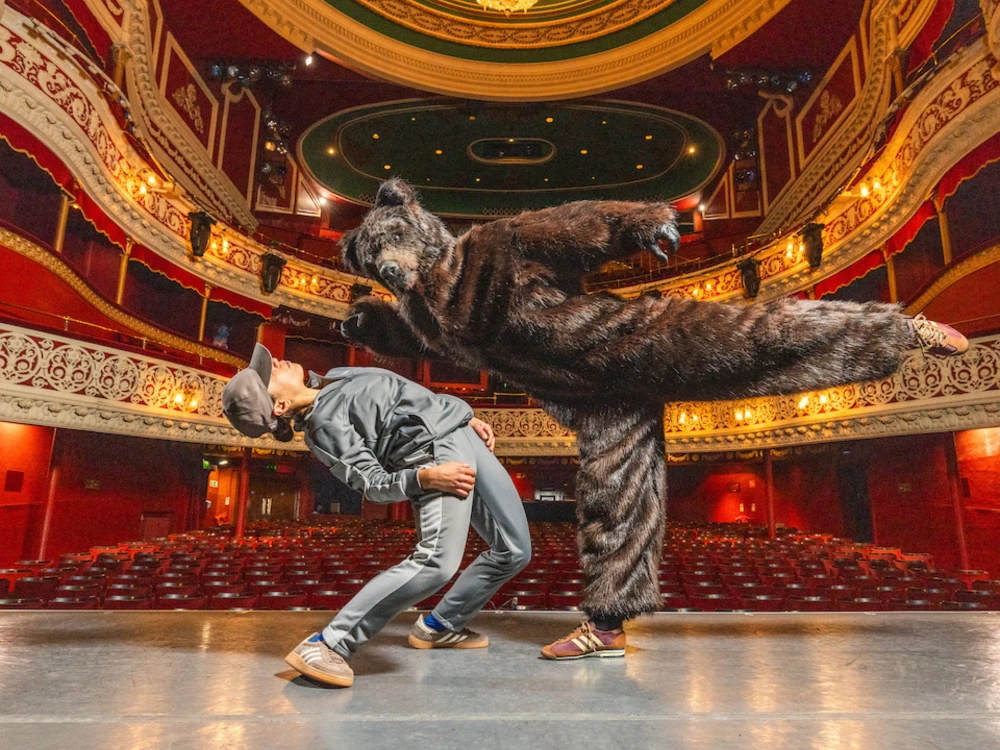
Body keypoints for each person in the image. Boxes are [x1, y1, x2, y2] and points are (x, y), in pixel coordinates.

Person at [221, 344, 531, 687]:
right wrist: (424, 478)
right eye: (270, 372)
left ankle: (441, 626)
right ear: (279, 406)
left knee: (515, 550)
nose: (277, 362)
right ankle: (328, 644)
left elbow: (406, 394)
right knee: (436, 562)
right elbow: (372, 483)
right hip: (434, 458)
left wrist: (461, 418)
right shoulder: (323, 426)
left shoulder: (335, 376)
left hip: (458, 431)